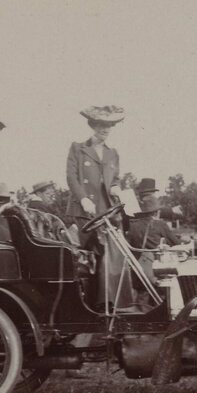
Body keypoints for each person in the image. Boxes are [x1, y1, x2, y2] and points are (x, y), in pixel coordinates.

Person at [65, 105, 135, 311]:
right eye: (102, 126)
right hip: (85, 211)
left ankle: (109, 304)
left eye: (109, 127)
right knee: (86, 260)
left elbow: (116, 178)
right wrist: (83, 198)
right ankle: (84, 307)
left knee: (111, 257)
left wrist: (115, 188)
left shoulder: (112, 153)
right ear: (93, 125)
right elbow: (71, 176)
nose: (106, 130)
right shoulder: (78, 148)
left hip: (106, 212)